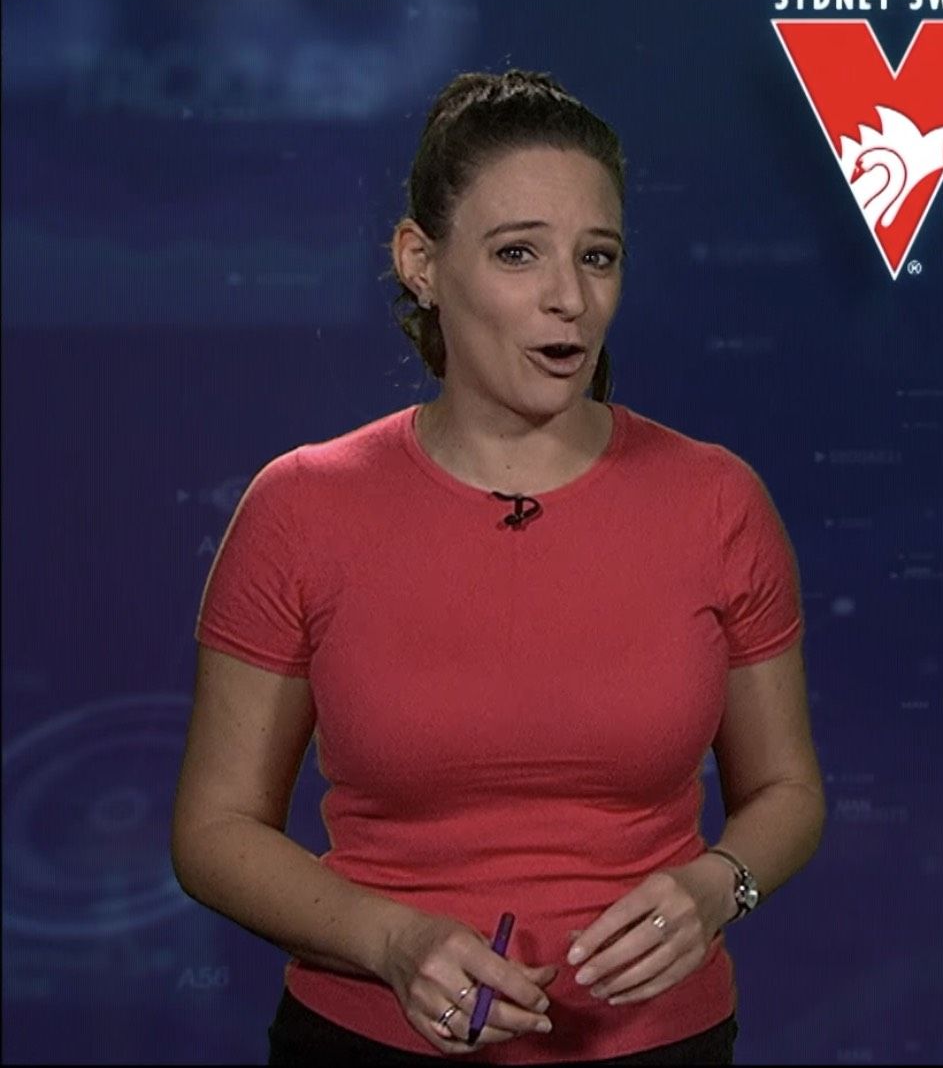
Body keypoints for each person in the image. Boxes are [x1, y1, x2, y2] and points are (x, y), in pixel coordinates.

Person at [172, 69, 825, 1064]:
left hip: (662, 1045)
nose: (570, 298)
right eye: (519, 253)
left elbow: (788, 790)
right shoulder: (302, 506)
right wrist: (392, 942)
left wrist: (716, 887)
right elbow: (215, 830)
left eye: (597, 257)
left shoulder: (717, 500)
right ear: (421, 263)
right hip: (368, 1044)